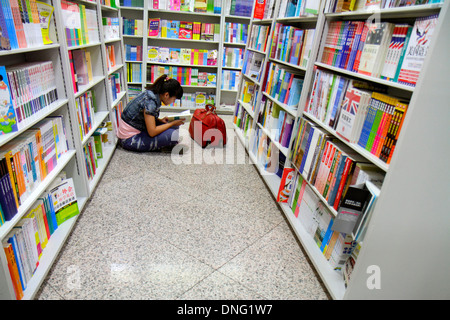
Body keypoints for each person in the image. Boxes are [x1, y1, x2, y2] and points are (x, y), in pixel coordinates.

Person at [117, 74, 184, 152]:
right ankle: (163, 146)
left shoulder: (153, 94)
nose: (173, 102)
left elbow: (145, 117)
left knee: (174, 127)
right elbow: (152, 132)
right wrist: (172, 123)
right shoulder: (150, 102)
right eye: (174, 99)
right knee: (172, 134)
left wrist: (160, 120)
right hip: (129, 139)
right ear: (166, 95)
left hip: (138, 128)